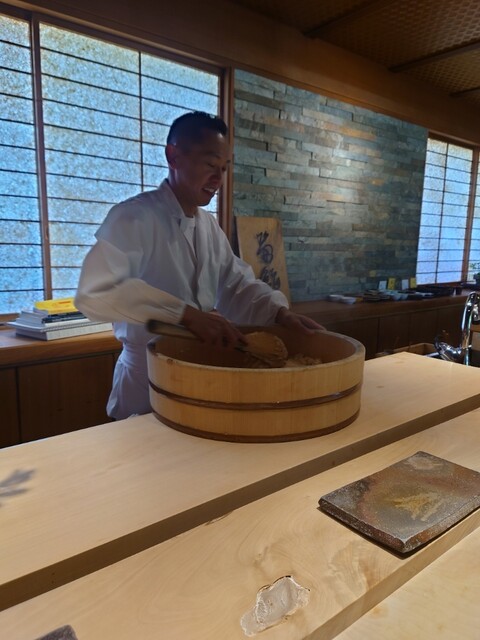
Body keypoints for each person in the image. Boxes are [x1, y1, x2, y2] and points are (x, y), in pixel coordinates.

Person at [75, 111, 322, 420]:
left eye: (224, 168)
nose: (218, 178)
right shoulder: (134, 217)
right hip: (143, 381)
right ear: (173, 156)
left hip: (196, 376)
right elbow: (95, 292)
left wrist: (279, 313)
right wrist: (187, 315)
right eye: (210, 164)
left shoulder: (208, 226)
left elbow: (236, 284)